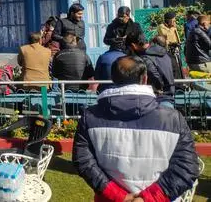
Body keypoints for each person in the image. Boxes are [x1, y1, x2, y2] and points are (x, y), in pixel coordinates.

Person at [73, 56, 199, 202]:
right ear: (145, 79)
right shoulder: (172, 118)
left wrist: (119, 195)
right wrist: (147, 198)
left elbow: (84, 161)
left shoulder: (90, 117)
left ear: (113, 79)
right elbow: (187, 167)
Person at [125, 32, 175, 106]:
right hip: (169, 96)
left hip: (158, 99)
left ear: (133, 46)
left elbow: (155, 78)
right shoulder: (163, 53)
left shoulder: (146, 58)